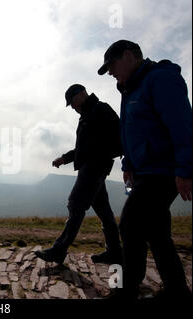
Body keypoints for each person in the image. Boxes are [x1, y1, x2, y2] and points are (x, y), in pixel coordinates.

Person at [98, 39, 192, 300]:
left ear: (128, 56)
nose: (111, 73)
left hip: (163, 171)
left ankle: (125, 290)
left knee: (129, 226)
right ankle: (177, 290)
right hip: (144, 172)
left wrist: (185, 170)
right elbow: (131, 133)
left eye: (111, 66)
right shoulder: (130, 89)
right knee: (157, 233)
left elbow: (182, 125)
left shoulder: (160, 80)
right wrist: (128, 164)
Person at [34, 84, 123, 265]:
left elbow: (119, 136)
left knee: (75, 205)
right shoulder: (86, 115)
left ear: (82, 94)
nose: (73, 107)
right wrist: (64, 158)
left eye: (73, 102)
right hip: (92, 168)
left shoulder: (100, 109)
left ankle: (59, 250)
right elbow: (83, 149)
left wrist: (101, 157)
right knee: (105, 213)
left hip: (94, 169)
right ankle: (115, 252)